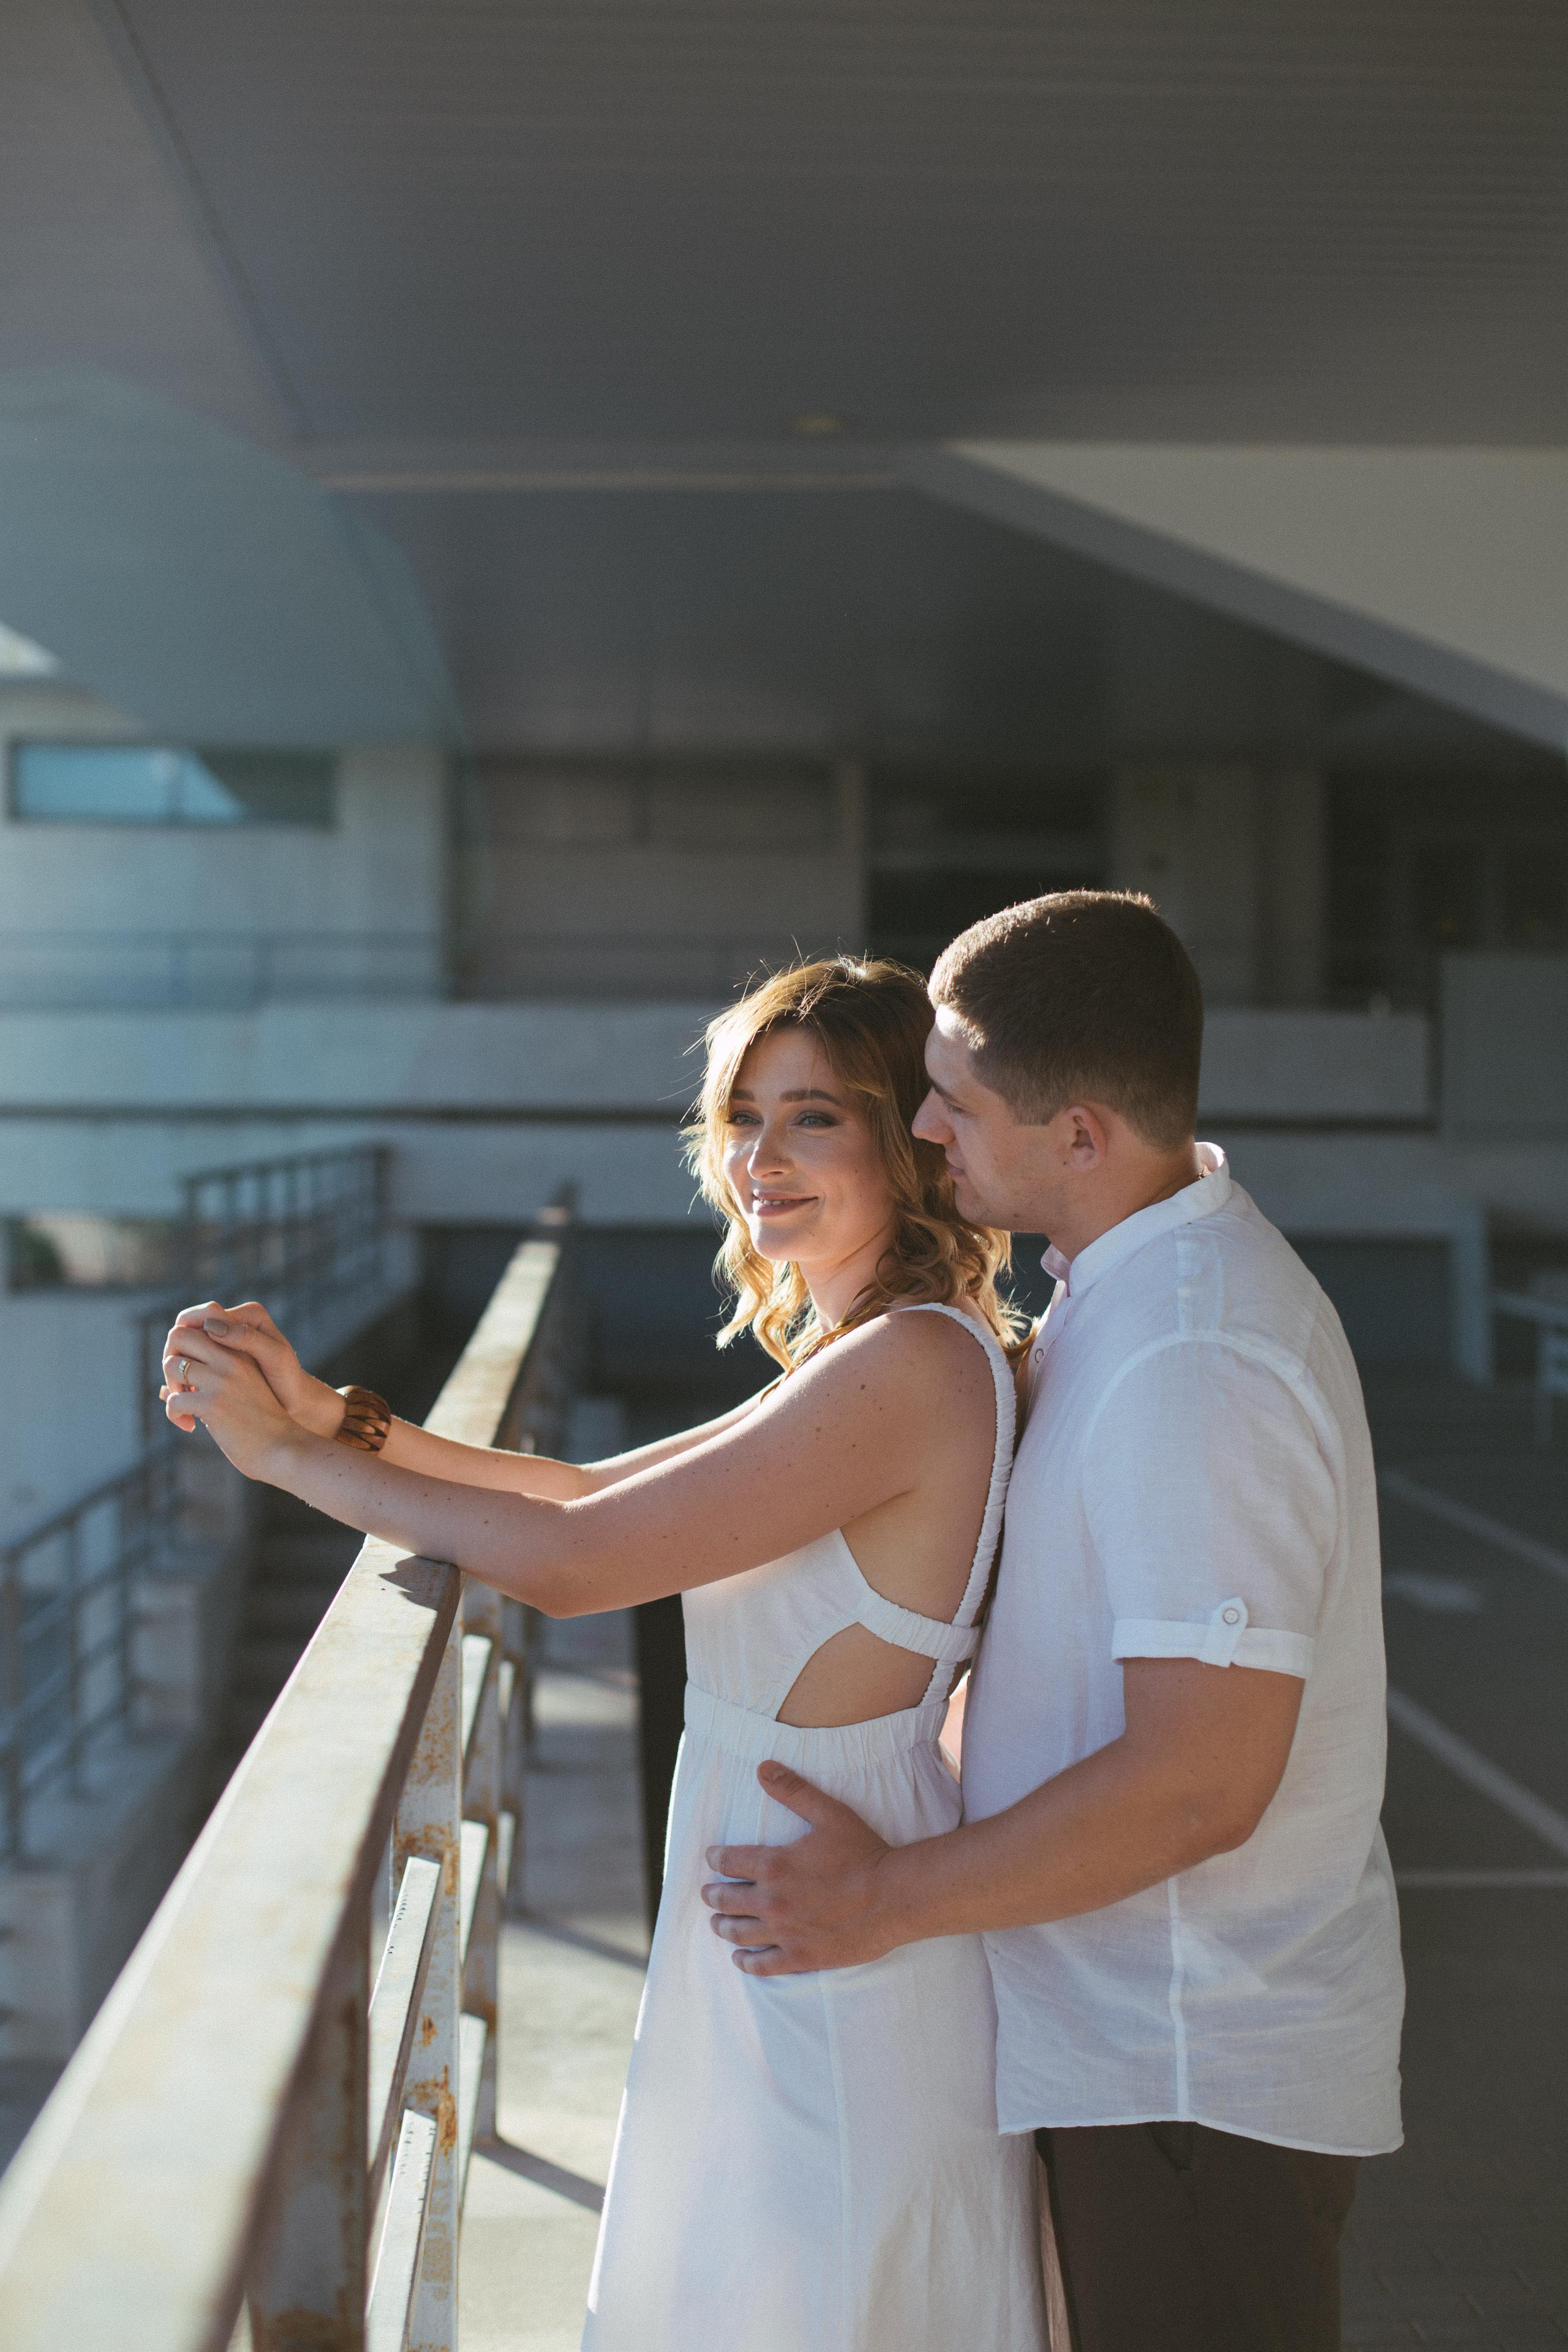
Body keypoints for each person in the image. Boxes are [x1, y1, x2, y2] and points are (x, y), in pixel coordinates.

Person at [160, 957, 1049, 2352]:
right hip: (784, 1915)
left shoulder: (913, 1365)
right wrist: (336, 1419)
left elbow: (581, 1570)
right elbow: (582, 1495)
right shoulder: (863, 1351)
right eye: (742, 1116)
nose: (760, 1157)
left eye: (814, 1117)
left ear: (909, 1140)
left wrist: (283, 1464)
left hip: (828, 1956)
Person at [698, 894, 1406, 2352]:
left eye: (951, 1100)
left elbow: (1201, 1780)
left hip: (1188, 2079)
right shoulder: (1115, 1294)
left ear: (1079, 1135)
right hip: (1123, 2054)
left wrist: (882, 1896)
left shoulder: (1193, 1357)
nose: (927, 1129)